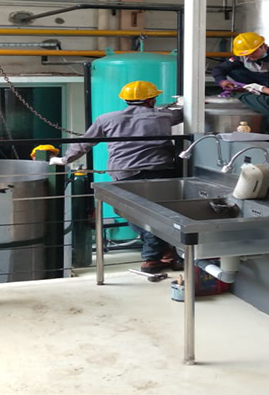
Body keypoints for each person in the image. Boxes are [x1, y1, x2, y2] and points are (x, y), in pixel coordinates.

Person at [49, 80, 184, 273]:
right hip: (160, 170)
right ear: (151, 100)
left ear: (126, 99)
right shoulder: (163, 116)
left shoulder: (106, 119)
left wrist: (64, 159)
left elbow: (85, 143)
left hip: (125, 172)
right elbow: (185, 113)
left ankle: (154, 256)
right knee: (159, 213)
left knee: (129, 212)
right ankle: (159, 253)